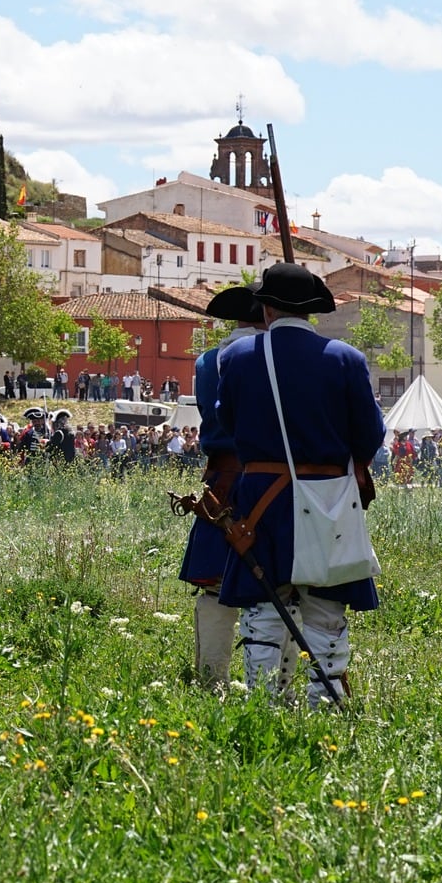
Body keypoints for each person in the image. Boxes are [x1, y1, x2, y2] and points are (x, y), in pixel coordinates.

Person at [215, 263, 385, 705]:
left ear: (266, 307)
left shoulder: (234, 357)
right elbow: (369, 435)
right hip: (330, 495)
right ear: (312, 312)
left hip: (261, 498)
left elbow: (228, 423)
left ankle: (263, 703)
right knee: (326, 609)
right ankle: (326, 702)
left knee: (263, 605)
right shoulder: (346, 358)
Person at [179, 284, 261, 689]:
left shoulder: (207, 360)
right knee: (273, 584)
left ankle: (212, 680)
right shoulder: (270, 357)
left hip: (221, 480)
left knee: (214, 587)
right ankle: (265, 685)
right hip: (268, 478)